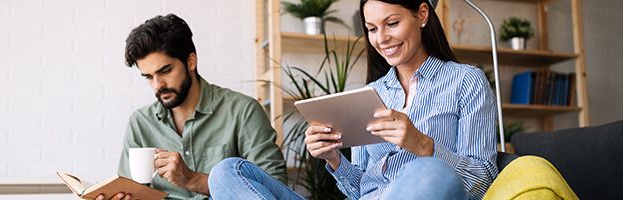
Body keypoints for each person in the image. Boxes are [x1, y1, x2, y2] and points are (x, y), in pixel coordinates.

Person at [208, 0, 498, 199]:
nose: (381, 38)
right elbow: (360, 188)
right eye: (371, 29)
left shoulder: (466, 81)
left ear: (422, 14)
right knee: (227, 172)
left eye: (392, 23)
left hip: (429, 187)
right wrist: (333, 159)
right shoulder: (374, 93)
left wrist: (423, 145)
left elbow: (485, 182)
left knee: (431, 171)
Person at [96, 14, 287, 200]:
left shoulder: (243, 111)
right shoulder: (140, 123)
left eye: (165, 71)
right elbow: (131, 190)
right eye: (148, 77)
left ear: (191, 62)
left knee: (225, 170)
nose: (157, 85)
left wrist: (192, 179)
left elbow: (275, 190)